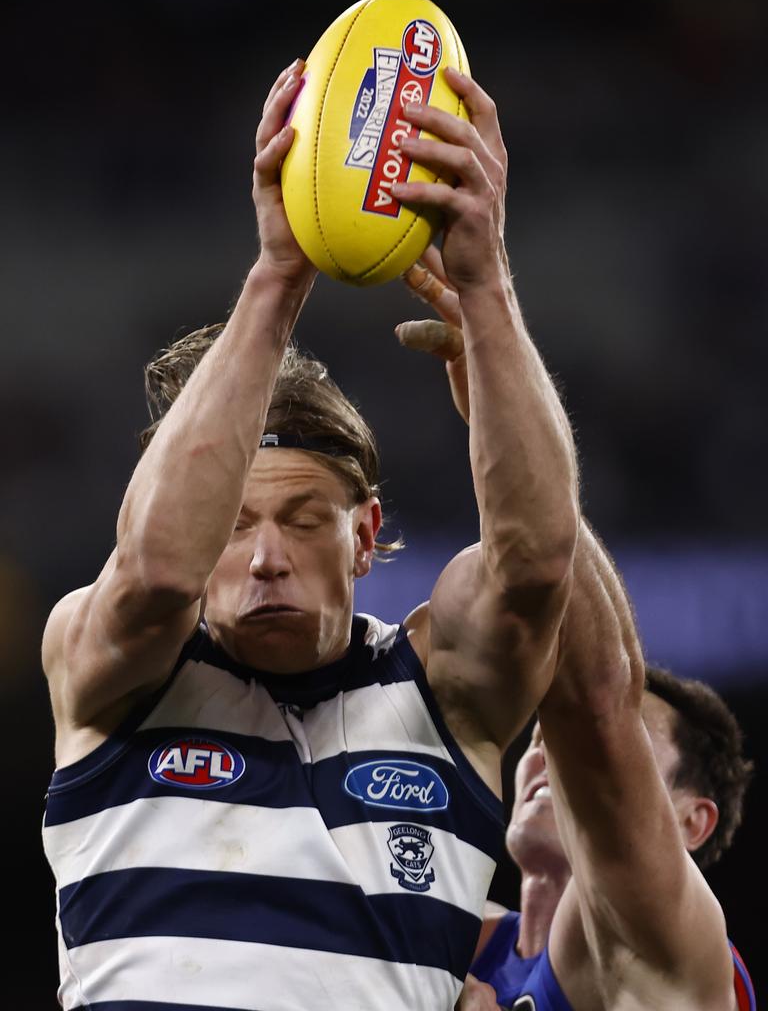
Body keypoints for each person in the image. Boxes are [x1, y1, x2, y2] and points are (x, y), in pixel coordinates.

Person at [39, 58, 581, 1011]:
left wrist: (486, 279)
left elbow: (538, 564)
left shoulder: (445, 688)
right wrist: (279, 272)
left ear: (366, 535)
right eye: (235, 523)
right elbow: (161, 568)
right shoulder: (110, 666)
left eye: (301, 520)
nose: (265, 557)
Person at [397, 260, 756, 1011]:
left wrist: (500, 384)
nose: (542, 752)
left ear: (691, 820)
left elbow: (595, 699)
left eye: (638, 747)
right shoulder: (455, 951)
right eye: (536, 740)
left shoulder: (677, 947)